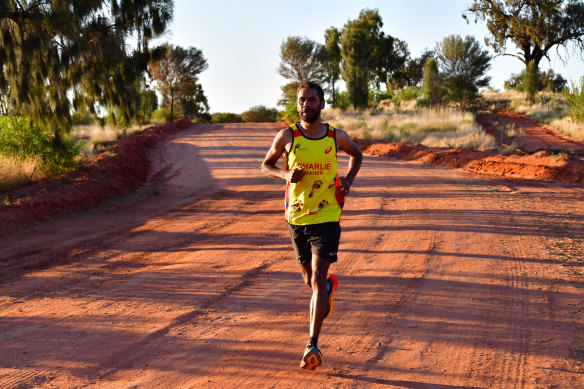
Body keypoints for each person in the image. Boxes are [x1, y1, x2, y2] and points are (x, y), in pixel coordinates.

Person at [261, 81, 363, 370]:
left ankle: (312, 344)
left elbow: (357, 154)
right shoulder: (287, 136)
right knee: (309, 279)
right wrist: (285, 175)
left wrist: (348, 180)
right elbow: (265, 165)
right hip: (296, 218)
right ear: (298, 105)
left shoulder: (335, 137)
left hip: (328, 215)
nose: (307, 104)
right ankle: (327, 290)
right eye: (302, 100)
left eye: (312, 100)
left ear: (322, 103)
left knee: (317, 277)